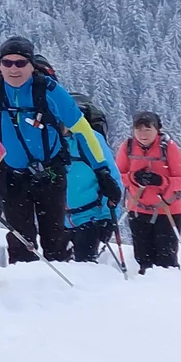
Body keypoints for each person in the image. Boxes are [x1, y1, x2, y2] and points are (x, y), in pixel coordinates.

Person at [0, 39, 111, 265]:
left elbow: (83, 130)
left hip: (50, 173)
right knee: (20, 240)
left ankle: (58, 280)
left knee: (56, 237)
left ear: (31, 65)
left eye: (21, 63)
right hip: (10, 175)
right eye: (7, 62)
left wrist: (102, 170)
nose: (13, 68)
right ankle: (23, 280)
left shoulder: (49, 91)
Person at [118, 110, 181, 272]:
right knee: (142, 260)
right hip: (138, 210)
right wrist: (134, 178)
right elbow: (117, 176)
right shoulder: (127, 147)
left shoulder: (168, 147)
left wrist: (162, 181)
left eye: (147, 129)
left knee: (166, 262)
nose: (142, 134)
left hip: (167, 210)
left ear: (157, 130)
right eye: (138, 129)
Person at [62, 94, 122, 264]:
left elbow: (111, 180)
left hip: (91, 219)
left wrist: (108, 218)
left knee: (85, 269)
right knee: (59, 270)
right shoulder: (52, 142)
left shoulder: (92, 140)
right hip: (60, 220)